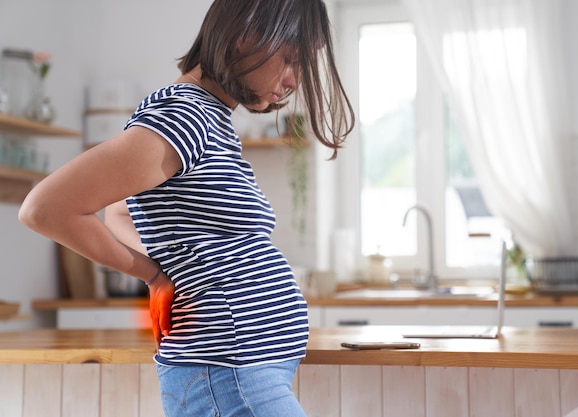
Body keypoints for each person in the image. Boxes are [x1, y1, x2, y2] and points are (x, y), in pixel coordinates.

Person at [18, 0, 354, 415]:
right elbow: (45, 208)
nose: (293, 81)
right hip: (228, 374)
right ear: (245, 33)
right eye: (290, 59)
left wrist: (164, 269)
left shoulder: (206, 118)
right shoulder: (184, 115)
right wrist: (153, 274)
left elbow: (120, 212)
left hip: (237, 374)